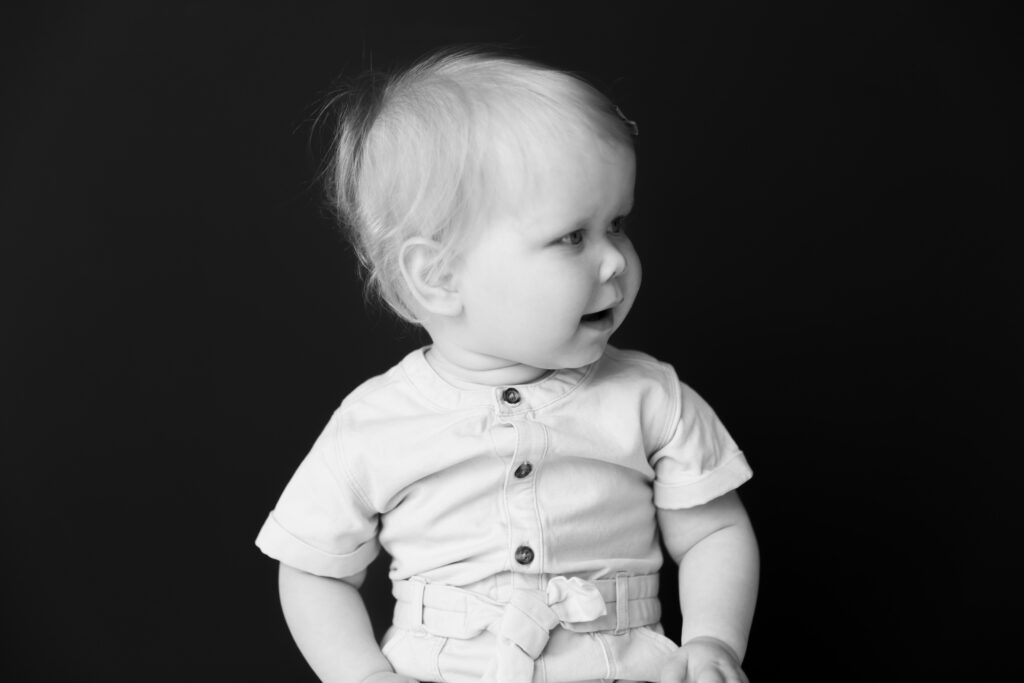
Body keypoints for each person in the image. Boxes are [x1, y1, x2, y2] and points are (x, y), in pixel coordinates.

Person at [255, 48, 758, 683]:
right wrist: (362, 675)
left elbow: (712, 533)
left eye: (619, 225)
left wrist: (715, 640)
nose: (615, 263)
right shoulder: (375, 422)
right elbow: (312, 568)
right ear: (439, 276)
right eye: (573, 237)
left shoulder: (649, 397)